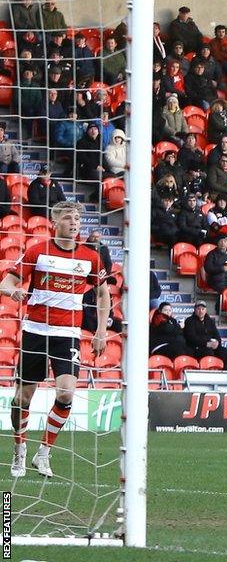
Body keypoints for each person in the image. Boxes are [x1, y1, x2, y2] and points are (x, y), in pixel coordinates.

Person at [5, 202, 109, 478]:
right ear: (55, 223)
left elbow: (103, 294)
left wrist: (100, 332)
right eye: (67, 218)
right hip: (35, 332)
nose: (74, 222)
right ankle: (20, 449)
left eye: (77, 218)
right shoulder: (37, 252)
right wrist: (12, 291)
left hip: (68, 336)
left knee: (65, 393)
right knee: (21, 399)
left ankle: (44, 453)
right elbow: (7, 281)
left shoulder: (90, 257)